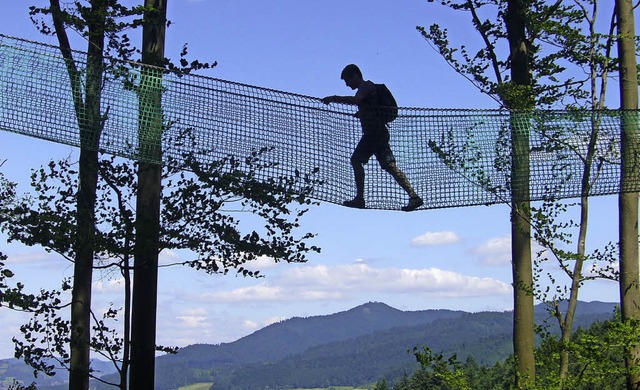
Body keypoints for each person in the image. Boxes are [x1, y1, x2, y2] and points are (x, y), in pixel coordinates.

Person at [321, 64, 423, 211]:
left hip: (374, 133)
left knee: (356, 160)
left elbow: (357, 100)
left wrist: (334, 98)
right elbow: (368, 106)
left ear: (355, 75)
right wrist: (362, 113)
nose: (347, 84)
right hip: (380, 133)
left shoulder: (366, 86)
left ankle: (360, 198)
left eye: (347, 80)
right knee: (389, 166)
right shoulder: (369, 90)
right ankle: (414, 197)